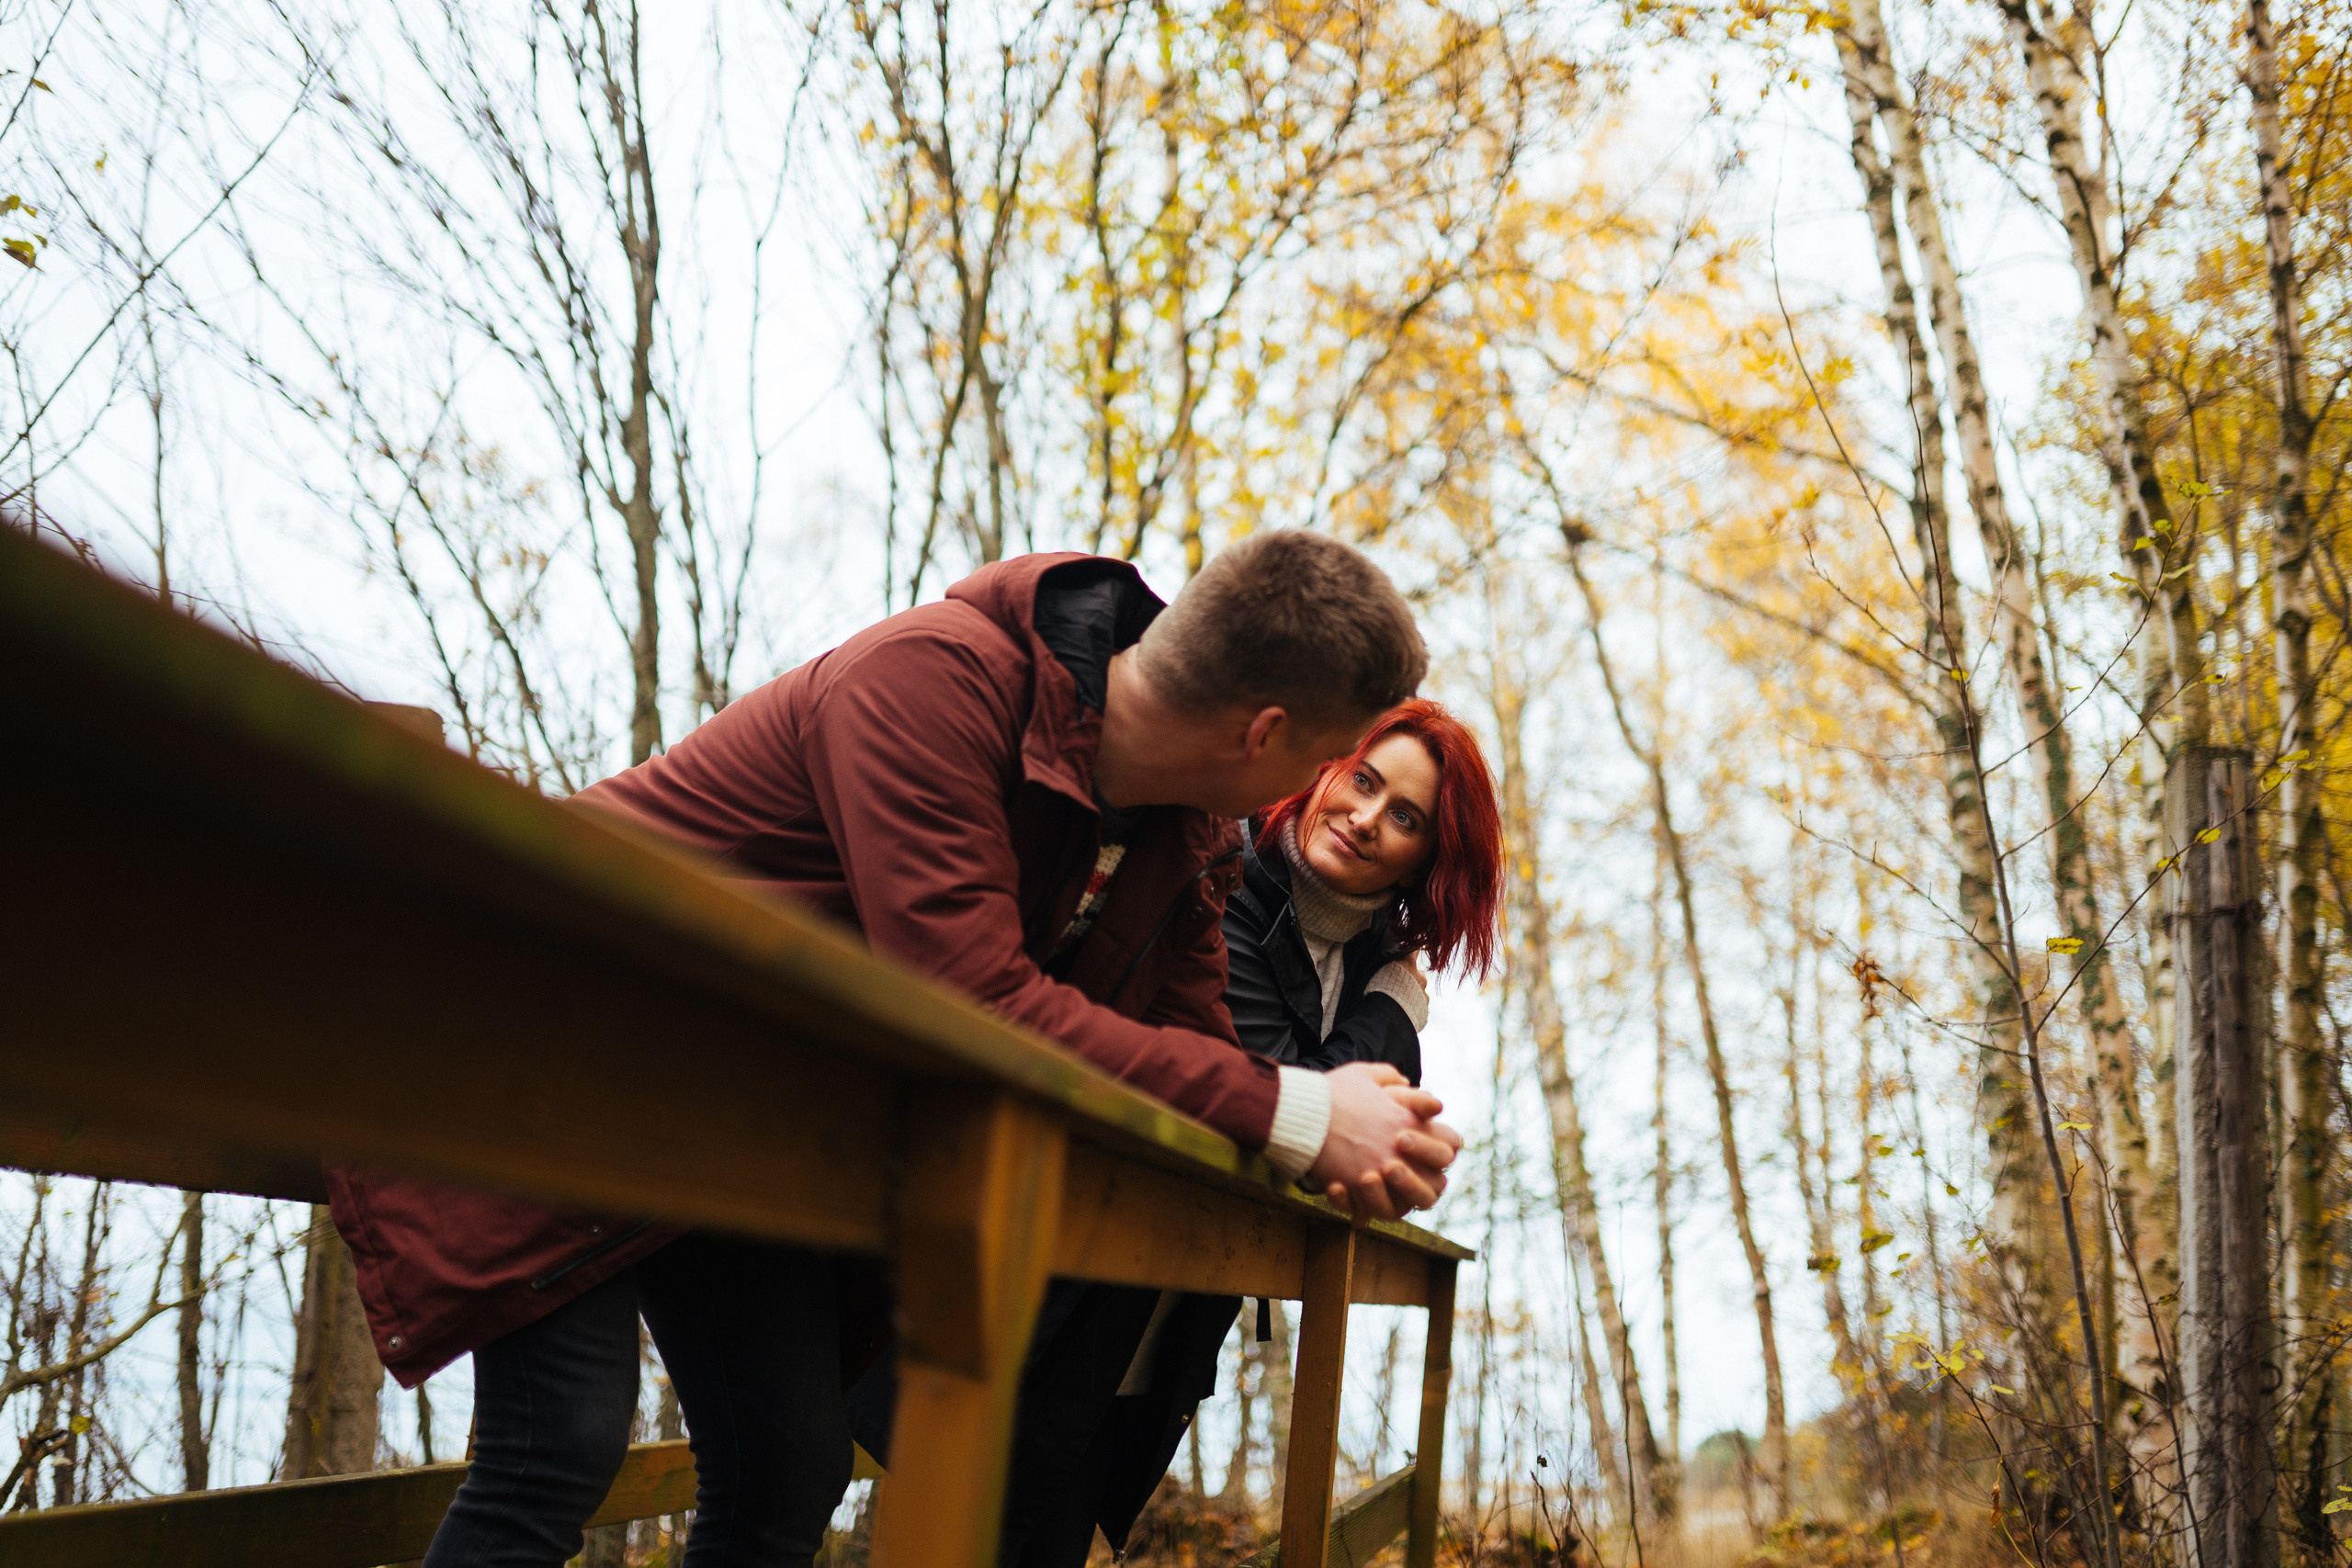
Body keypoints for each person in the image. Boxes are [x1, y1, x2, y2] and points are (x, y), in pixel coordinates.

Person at [324, 533, 1464, 1568]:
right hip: (558, 1034)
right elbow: (971, 999)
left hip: (728, 1119)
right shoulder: (928, 681)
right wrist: (1300, 1113)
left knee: (787, 1470)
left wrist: (1335, 1129)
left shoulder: (1181, 837)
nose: (1316, 797)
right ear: (1265, 733)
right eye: (1329, 758)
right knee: (556, 1452)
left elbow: (1201, 1045)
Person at [944, 698, 1505, 1566]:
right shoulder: (1227, 876)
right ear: (1323, 768)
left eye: (1405, 817)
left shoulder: (1363, 961)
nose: (1364, 818)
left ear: (1430, 859)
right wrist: (1395, 1007)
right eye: (1363, 779)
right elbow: (1288, 1106)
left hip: (1169, 1315)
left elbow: (1373, 1128)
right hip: (1067, 1281)